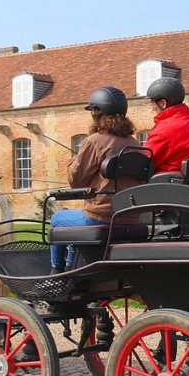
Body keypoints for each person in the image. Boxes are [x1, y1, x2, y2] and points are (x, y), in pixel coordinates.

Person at [48, 86, 140, 274]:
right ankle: (72, 267)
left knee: (58, 219)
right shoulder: (135, 144)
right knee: (72, 219)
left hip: (101, 217)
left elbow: (76, 181)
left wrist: (73, 161)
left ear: (96, 114)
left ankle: (56, 273)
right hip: (131, 218)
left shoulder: (94, 141)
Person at [142, 77, 189, 174]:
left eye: (153, 103)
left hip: (166, 186)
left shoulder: (163, 131)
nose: (153, 108)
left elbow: (143, 162)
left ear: (162, 103)